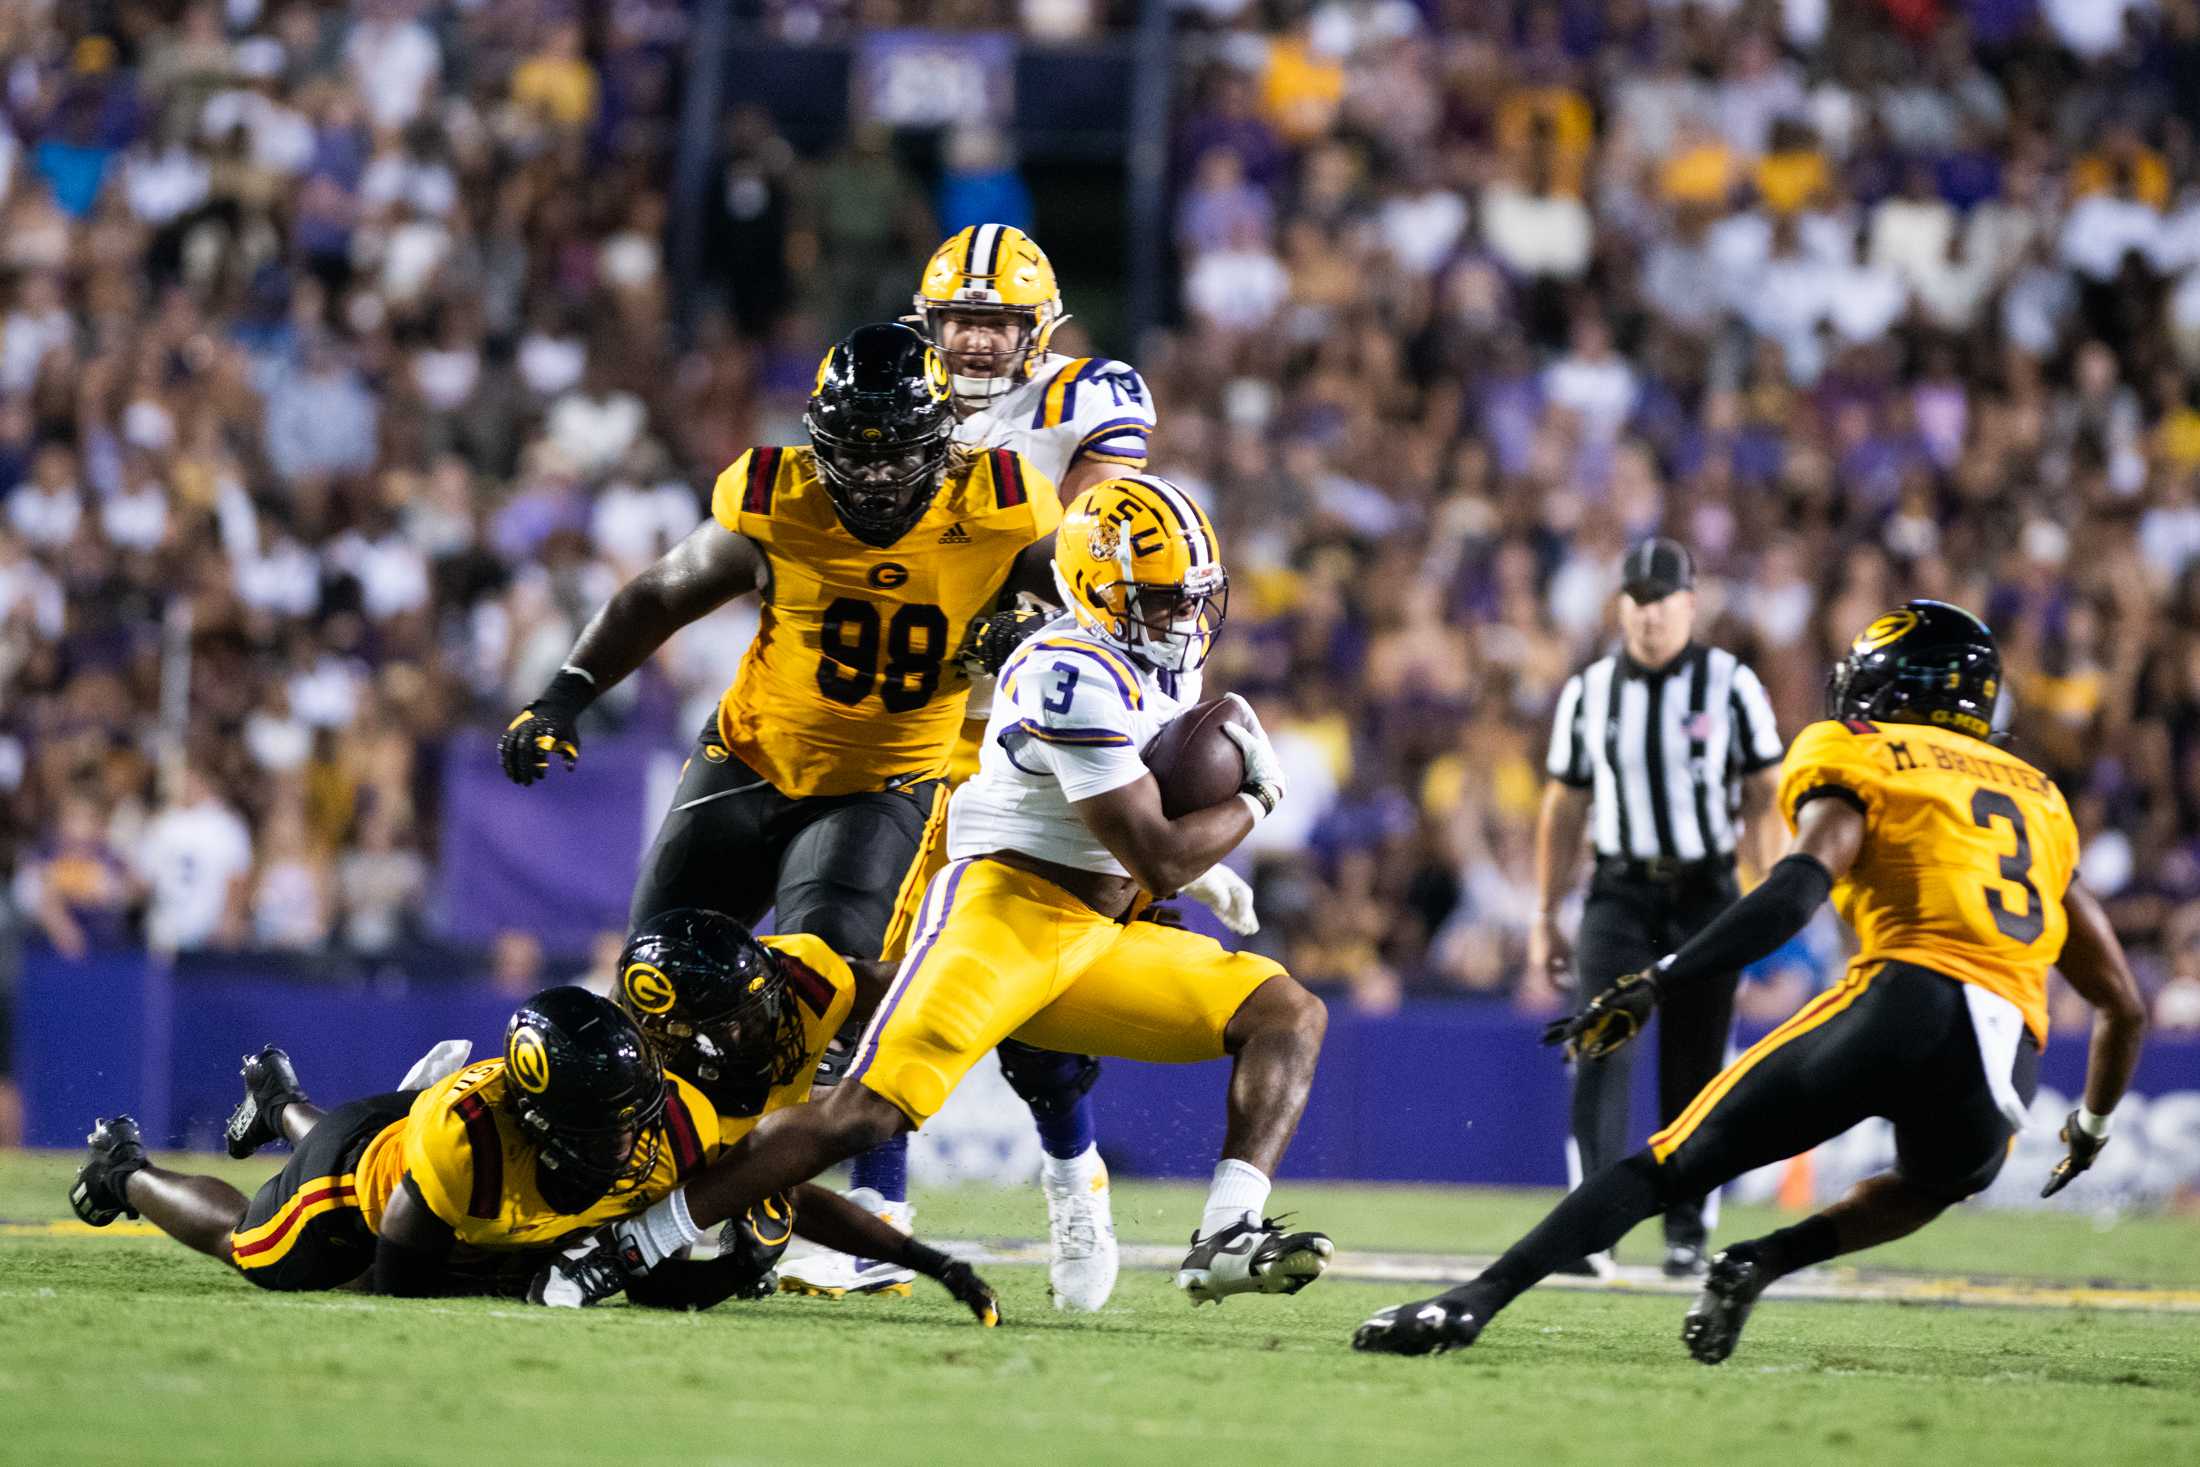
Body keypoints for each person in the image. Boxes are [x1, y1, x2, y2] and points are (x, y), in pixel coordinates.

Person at [525, 475, 1333, 1311]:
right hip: (1005, 913)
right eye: (1162, 601)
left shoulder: (1163, 661)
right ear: (1095, 589)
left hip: (1098, 928)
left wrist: (1196, 867)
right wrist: (1256, 799)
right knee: (866, 1113)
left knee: (1288, 1013)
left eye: (1193, 598)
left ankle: (1227, 1232)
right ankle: (628, 1242)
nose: (1184, 620)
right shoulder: (1067, 673)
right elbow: (1157, 851)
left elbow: (1136, 836)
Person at [1354, 602, 2148, 1360]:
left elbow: (1797, 887)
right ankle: (1761, 1260)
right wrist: (2091, 1126)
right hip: (2006, 1053)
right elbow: (2122, 1001)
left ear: (1898, 684)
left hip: (1904, 995)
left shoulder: (1862, 747)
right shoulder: (2039, 797)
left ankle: (1472, 1299)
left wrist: (1661, 977)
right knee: (1936, 1178)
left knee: (1670, 1164)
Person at [780, 224, 1180, 1306]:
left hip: (1033, 718)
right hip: (910, 713)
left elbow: (1109, 531)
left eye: (996, 324)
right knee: (872, 961)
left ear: (1036, 329)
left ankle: (1071, 1176)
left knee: (1031, 1005)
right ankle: (878, 1214)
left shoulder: (1082, 399)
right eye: (957, 320)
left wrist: (1023, 604)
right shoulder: (878, 386)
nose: (972, 344)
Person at [71, 983, 998, 1318]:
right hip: (368, 1182)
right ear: (546, 1119)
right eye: (610, 1124)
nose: (637, 1141)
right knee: (264, 1250)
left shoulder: (664, 1118)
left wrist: (920, 1253)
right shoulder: (466, 1144)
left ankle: (279, 1098)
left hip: (445, 1157)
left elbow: (780, 1176)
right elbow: (395, 1286)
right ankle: (127, 1165)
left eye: (638, 1113)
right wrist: (530, 1279)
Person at [1532, 537, 1786, 1276]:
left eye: (1663, 599)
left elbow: (1767, 789)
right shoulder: (1589, 691)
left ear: (1691, 603)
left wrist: (1772, 885)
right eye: (1637, 600)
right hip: (1619, 889)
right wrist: (1544, 911)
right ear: (1621, 607)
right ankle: (1591, 1226)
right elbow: (1564, 805)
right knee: (1599, 1045)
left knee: (1697, 1063)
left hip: (1708, 889)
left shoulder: (1730, 684)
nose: (1649, 616)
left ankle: (1687, 1226)